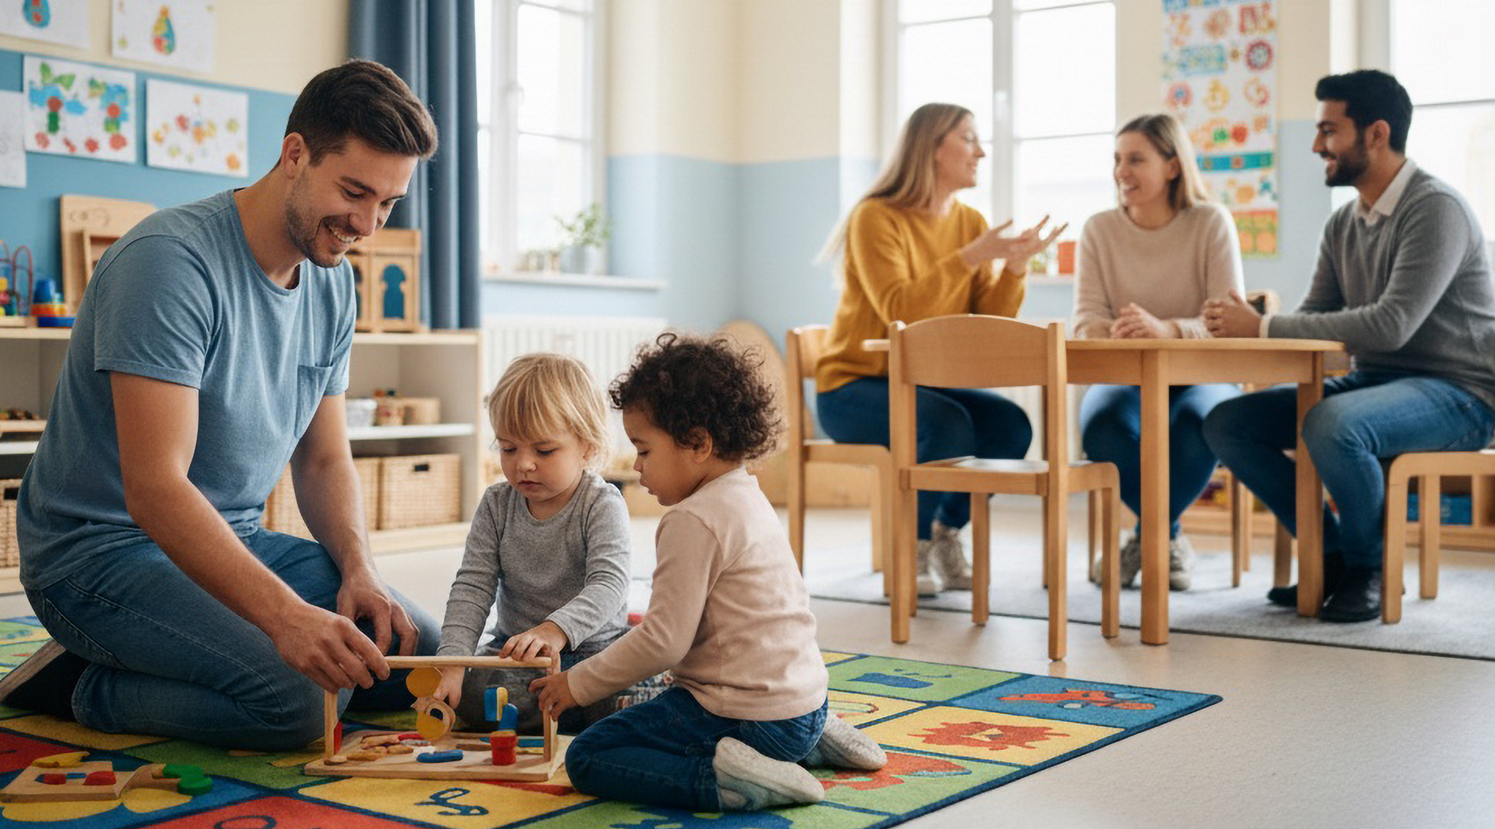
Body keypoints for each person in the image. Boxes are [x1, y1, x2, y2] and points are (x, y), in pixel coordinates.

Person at [0, 59, 444, 748]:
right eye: (355, 191)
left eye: (387, 203)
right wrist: (286, 617)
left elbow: (323, 462)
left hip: (232, 538)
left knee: (408, 652)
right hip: (98, 555)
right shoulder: (168, 264)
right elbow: (155, 490)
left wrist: (360, 568)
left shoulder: (333, 285)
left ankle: (183, 652)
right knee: (296, 699)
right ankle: (80, 683)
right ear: (295, 154)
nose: (367, 224)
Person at [529, 333, 886, 812]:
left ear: (697, 443)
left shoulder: (691, 519)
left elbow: (661, 643)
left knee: (592, 754)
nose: (637, 467)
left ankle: (735, 778)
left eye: (645, 450)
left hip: (749, 719)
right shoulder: (747, 494)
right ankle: (813, 739)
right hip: (804, 702)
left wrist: (577, 684)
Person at [1202, 69, 1495, 622]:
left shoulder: (1436, 210)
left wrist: (1261, 327)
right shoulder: (1344, 224)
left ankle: (1370, 569)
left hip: (1463, 392)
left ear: (1376, 134)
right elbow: (1316, 317)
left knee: (1333, 423)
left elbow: (1390, 326)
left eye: (1329, 131)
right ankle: (1332, 557)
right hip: (1377, 384)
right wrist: (1252, 324)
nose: (1317, 146)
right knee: (1226, 422)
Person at [814, 102, 1064, 596]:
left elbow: (986, 317)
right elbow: (897, 310)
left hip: (922, 385)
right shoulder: (875, 217)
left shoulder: (969, 221)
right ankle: (911, 548)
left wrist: (1013, 268)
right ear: (931, 148)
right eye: (969, 138)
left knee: (1010, 428)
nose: (982, 151)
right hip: (851, 387)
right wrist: (971, 256)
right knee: (946, 425)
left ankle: (945, 533)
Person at [1073, 113, 1245, 592]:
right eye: (1116, 160)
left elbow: (1227, 323)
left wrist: (1165, 328)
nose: (1121, 172)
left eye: (1135, 160)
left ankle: (1148, 537)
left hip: (1203, 375)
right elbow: (1085, 320)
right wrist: (1127, 329)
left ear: (1172, 167)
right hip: (1124, 374)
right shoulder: (1099, 230)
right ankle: (1164, 536)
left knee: (1201, 424)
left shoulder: (1211, 223)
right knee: (1103, 427)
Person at [431, 353, 646, 734]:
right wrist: (452, 662)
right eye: (509, 448)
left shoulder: (601, 503)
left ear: (588, 446)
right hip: (519, 658)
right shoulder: (497, 504)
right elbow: (472, 587)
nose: (523, 464)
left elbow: (609, 584)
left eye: (544, 450)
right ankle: (571, 712)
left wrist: (554, 630)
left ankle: (587, 708)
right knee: (472, 689)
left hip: (596, 651)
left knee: (635, 677)